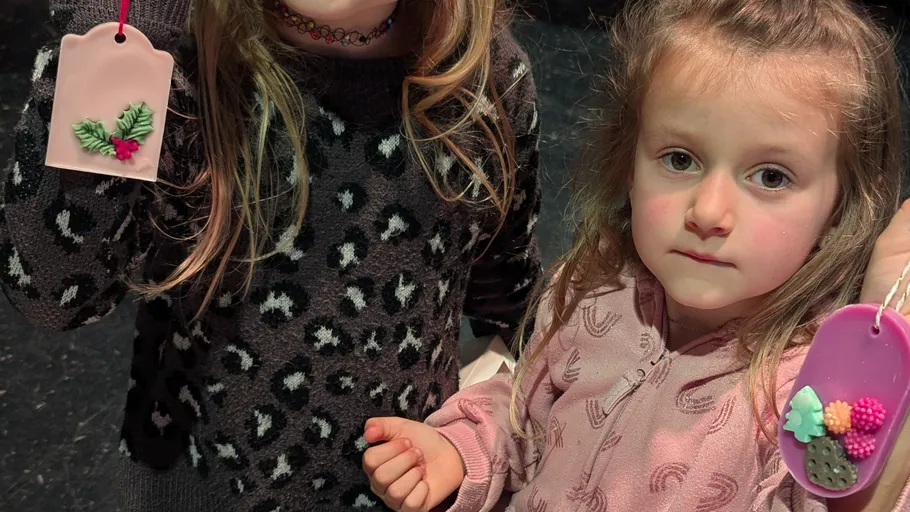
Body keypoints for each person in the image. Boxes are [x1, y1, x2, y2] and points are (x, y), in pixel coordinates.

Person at [360, 0, 910, 510]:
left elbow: (842, 497)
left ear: (842, 205)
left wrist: (874, 363)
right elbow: (527, 415)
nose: (708, 210)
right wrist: (460, 450)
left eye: (770, 176)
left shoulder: (810, 388)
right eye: (679, 159)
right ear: (630, 160)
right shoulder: (592, 291)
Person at [0, 0, 542, 510]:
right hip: (196, 485)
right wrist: (116, 36)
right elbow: (54, 292)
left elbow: (510, 299)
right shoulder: (175, 62)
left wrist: (477, 437)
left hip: (405, 486)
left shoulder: (486, 77)